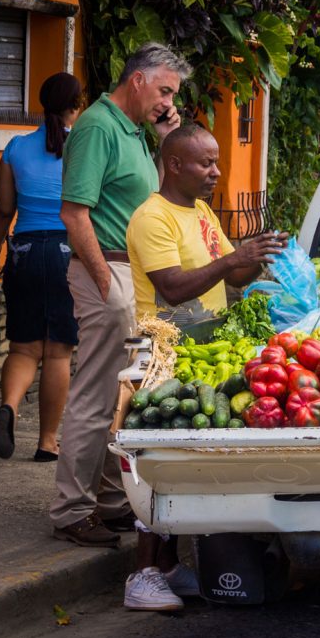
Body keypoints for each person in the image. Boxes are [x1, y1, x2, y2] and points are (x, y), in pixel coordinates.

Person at [123, 124, 286, 610]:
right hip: (163, 351)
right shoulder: (153, 218)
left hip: (206, 346)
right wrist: (234, 258)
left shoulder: (200, 211)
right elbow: (172, 286)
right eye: (205, 163)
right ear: (174, 165)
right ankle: (143, 574)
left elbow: (231, 271)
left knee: (189, 462)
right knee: (158, 461)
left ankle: (170, 566)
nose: (216, 171)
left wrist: (258, 257)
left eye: (215, 161)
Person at [50, 43, 191, 549]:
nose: (168, 100)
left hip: (132, 274)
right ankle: (71, 508)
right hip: (106, 271)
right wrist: (107, 284)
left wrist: (169, 135)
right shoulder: (97, 126)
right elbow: (74, 213)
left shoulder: (134, 132)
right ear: (137, 80)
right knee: (96, 393)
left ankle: (111, 500)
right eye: (165, 90)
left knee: (124, 395)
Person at [0, 73, 83, 462]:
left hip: (24, 251)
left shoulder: (15, 147)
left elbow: (3, 209)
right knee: (58, 352)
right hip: (64, 251)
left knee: (24, 347)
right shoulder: (83, 148)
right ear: (77, 105)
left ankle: (9, 404)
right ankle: (46, 442)